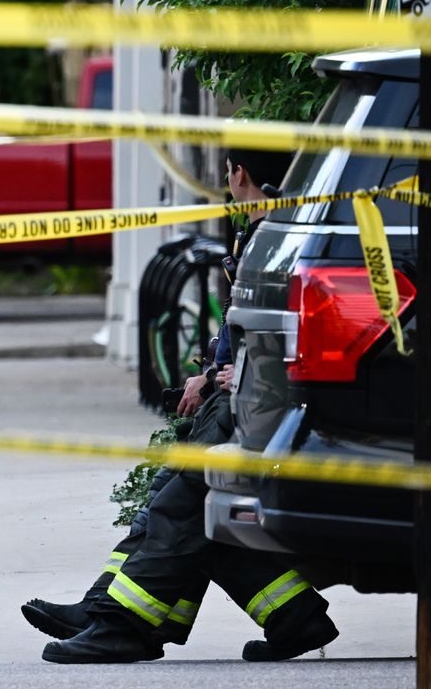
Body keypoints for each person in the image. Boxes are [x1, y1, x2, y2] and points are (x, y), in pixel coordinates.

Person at [23, 146, 339, 663]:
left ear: (239, 174)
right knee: (191, 502)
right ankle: (290, 616)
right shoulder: (271, 232)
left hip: (259, 405)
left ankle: (122, 623)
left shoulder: (282, 239)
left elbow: (297, 324)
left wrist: (243, 372)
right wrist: (214, 371)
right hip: (243, 397)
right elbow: (246, 325)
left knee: (184, 502)